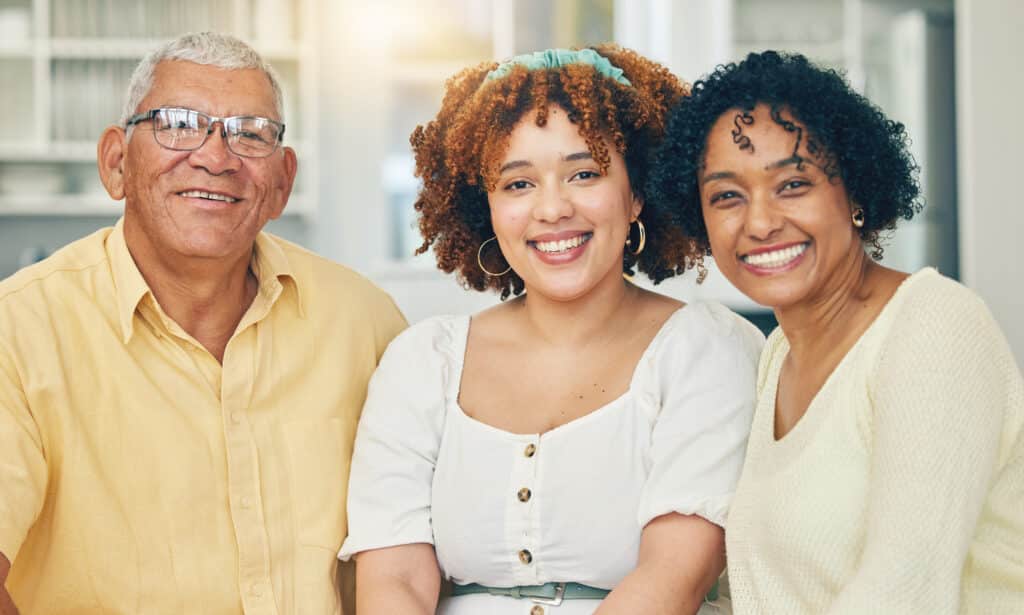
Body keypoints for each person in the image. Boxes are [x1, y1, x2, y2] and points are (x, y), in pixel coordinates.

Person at [339, 45, 764, 615]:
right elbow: (394, 583)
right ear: (486, 207)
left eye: (584, 174)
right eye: (518, 184)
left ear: (637, 193)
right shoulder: (422, 362)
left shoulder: (708, 350)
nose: (552, 209)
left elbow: (673, 579)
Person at [0, 32, 406, 614]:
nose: (216, 158)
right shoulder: (18, 331)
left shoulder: (365, 323)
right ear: (116, 163)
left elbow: (424, 555)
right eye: (178, 124)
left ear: (282, 182)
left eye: (250, 133)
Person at [646, 50, 1024, 614]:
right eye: (727, 196)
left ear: (856, 193)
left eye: (793, 184)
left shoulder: (934, 323)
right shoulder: (777, 356)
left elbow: (905, 592)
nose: (760, 222)